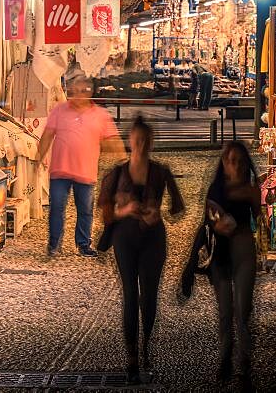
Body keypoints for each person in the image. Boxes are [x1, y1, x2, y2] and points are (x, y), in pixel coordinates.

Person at [98, 116, 184, 383]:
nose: (141, 145)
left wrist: (158, 213)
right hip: (124, 237)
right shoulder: (116, 174)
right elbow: (104, 211)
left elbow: (178, 207)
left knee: (149, 296)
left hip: (153, 238)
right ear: (130, 141)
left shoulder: (161, 172)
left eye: (146, 141)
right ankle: (132, 355)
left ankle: (146, 343)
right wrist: (125, 209)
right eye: (137, 140)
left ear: (151, 143)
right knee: (129, 295)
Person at [37, 74, 124, 257]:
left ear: (89, 92)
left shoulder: (101, 115)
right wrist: (38, 158)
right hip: (60, 170)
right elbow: (47, 135)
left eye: (82, 91)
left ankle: (83, 244)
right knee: (57, 208)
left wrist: (123, 160)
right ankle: (54, 244)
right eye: (74, 92)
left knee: (85, 210)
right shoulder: (59, 111)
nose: (78, 95)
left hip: (86, 172)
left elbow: (113, 139)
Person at [205, 141, 262, 388]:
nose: (235, 166)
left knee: (243, 308)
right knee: (226, 311)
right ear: (223, 163)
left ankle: (244, 364)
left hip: (243, 245)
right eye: (230, 160)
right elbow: (208, 221)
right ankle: (225, 359)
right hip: (220, 253)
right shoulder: (215, 190)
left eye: (239, 161)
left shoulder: (250, 190)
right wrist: (217, 225)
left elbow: (259, 219)